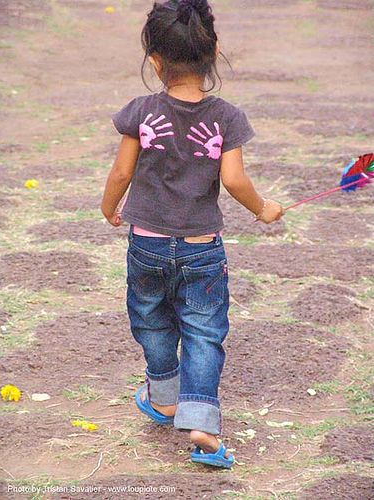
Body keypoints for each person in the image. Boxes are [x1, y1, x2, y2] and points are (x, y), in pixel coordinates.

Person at [101, 0, 284, 469]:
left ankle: (163, 397)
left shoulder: (141, 111)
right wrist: (264, 209)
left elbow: (121, 172)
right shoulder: (227, 117)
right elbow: (235, 181)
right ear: (214, 51)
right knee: (204, 332)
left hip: (147, 243)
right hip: (202, 247)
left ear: (154, 60)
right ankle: (201, 423)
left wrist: (108, 207)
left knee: (150, 317)